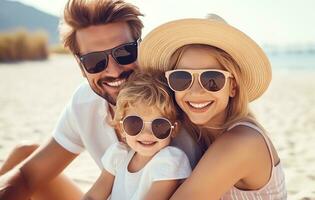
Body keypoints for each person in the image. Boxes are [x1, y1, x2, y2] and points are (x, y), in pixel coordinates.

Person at [0, 1, 201, 200]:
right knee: (24, 155)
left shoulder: (179, 100)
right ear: (81, 66)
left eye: (124, 52)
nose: (114, 71)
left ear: (141, 48)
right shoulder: (84, 104)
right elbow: (27, 176)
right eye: (94, 61)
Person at [139, 14, 287, 199]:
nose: (195, 91)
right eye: (182, 78)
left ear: (233, 86)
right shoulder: (193, 134)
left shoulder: (242, 142)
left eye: (211, 79)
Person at [82, 71, 191, 200]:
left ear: (174, 129)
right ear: (121, 128)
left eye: (159, 125)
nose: (146, 133)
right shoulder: (119, 155)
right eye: (134, 123)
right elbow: (92, 196)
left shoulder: (169, 161)